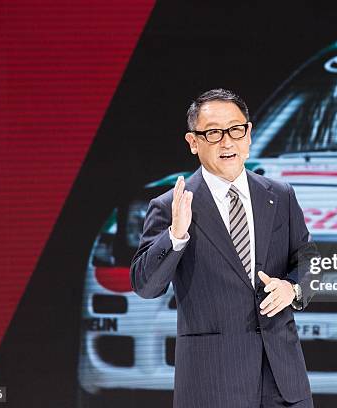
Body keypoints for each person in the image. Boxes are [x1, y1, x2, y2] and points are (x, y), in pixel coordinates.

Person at [130, 88, 319, 408]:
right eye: (214, 133)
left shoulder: (280, 194)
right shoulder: (171, 206)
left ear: (249, 135)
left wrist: (293, 288)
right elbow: (145, 286)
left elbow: (309, 260)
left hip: (283, 383)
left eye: (236, 129)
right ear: (193, 142)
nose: (227, 142)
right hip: (211, 385)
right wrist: (176, 235)